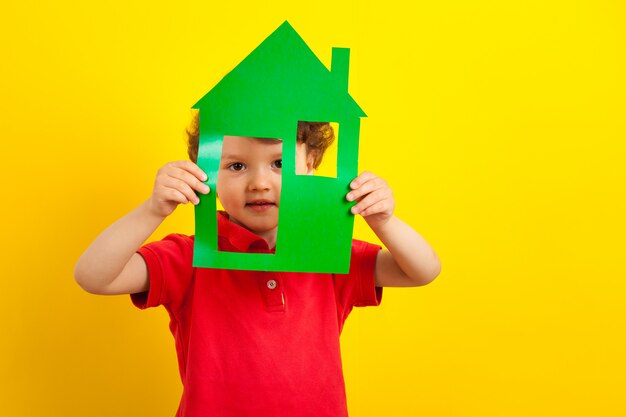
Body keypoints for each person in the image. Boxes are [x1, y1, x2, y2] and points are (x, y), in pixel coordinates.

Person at [74, 115, 441, 417]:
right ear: (207, 175)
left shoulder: (326, 253)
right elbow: (93, 277)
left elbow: (422, 271)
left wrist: (383, 221)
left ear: (310, 165)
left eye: (279, 164)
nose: (260, 183)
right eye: (236, 165)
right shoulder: (189, 257)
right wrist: (153, 209)